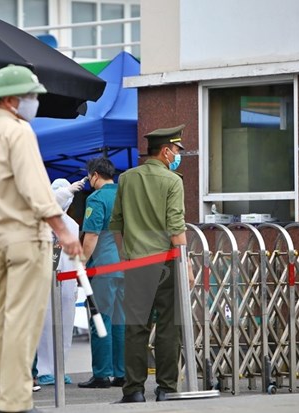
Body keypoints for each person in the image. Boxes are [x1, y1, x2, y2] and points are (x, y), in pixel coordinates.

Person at [0, 64, 82, 413]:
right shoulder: (18, 131)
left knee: (4, 318)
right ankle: (15, 400)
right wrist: (62, 230)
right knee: (23, 320)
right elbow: (35, 188)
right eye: (30, 96)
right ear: (12, 99)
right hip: (26, 239)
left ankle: (5, 395)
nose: (34, 103)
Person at [109, 124, 195, 403]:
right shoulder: (172, 181)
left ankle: (133, 390)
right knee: (169, 326)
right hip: (166, 263)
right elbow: (176, 228)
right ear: (166, 151)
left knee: (136, 326)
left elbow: (117, 222)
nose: (178, 155)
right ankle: (166, 388)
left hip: (135, 264)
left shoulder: (126, 179)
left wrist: (126, 254)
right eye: (177, 150)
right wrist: (188, 266)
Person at [78, 157, 125, 389]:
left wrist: (81, 264)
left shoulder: (96, 198)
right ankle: (121, 372)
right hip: (127, 266)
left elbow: (92, 236)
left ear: (94, 175)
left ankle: (101, 374)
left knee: (100, 319)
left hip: (104, 267)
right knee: (121, 321)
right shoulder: (125, 194)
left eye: (89, 177)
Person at [34, 178, 83, 386]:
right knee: (45, 326)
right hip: (44, 278)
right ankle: (45, 369)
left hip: (67, 279)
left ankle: (60, 368)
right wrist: (67, 189)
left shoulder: (72, 225)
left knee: (64, 325)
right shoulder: (40, 219)